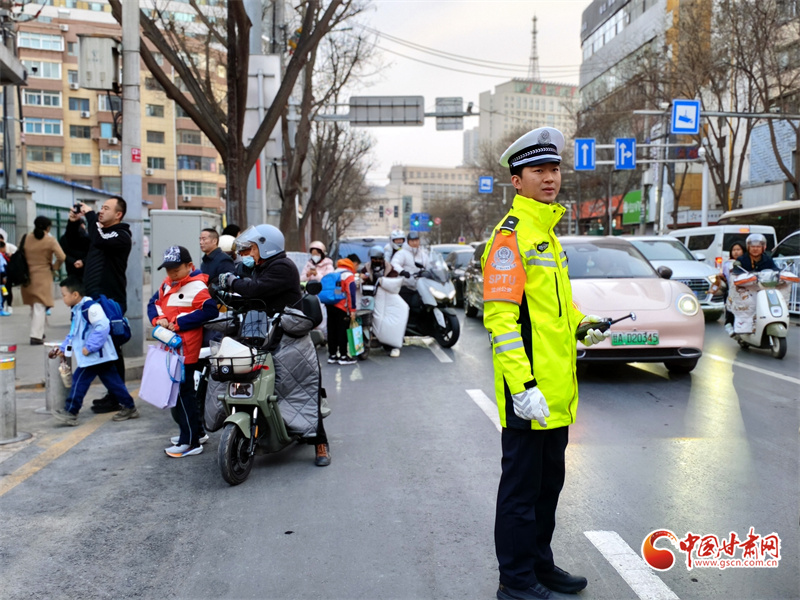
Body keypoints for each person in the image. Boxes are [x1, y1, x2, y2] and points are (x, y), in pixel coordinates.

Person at [484, 127, 610, 600]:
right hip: (529, 392)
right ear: (517, 181)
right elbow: (500, 320)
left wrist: (583, 324)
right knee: (520, 493)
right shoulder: (510, 239)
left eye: (554, 169)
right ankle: (515, 580)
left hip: (556, 392)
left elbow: (554, 309)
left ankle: (539, 564)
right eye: (538, 170)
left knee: (547, 489)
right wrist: (522, 386)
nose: (550, 178)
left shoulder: (547, 236)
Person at [219, 224, 330, 466]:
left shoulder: (282, 266)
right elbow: (250, 297)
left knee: (303, 387)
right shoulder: (259, 267)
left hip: (288, 336)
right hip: (259, 333)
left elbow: (254, 290)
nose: (246, 254)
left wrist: (232, 281)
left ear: (266, 247)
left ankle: (320, 443)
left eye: (250, 249)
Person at [148, 246, 218, 457]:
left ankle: (190, 442)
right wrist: (158, 319)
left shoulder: (197, 286)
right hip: (171, 348)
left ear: (189, 266)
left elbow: (210, 311)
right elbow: (154, 303)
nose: (172, 274)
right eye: (168, 270)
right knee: (179, 394)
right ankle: (193, 433)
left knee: (184, 395)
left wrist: (179, 322)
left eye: (176, 269)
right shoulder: (167, 284)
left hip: (186, 350)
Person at [50, 277, 139, 426]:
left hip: (95, 355)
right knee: (114, 383)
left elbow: (103, 326)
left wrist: (90, 347)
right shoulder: (78, 309)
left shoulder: (90, 308)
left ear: (75, 294)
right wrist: (63, 348)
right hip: (98, 356)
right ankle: (129, 407)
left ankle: (71, 412)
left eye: (64, 295)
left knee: (79, 381)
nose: (63, 298)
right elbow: (73, 333)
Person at [77, 197, 132, 413]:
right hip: (94, 299)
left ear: (118, 214)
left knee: (112, 348)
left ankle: (117, 397)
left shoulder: (120, 235)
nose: (101, 211)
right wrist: (74, 223)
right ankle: (114, 394)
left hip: (110, 302)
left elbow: (99, 239)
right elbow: (76, 243)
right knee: (105, 348)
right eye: (100, 208)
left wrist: (90, 215)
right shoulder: (100, 233)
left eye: (106, 208)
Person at [21, 216, 66, 345]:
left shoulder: (26, 238)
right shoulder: (50, 240)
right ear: (48, 227)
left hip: (27, 276)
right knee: (40, 305)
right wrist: (55, 267)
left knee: (34, 305)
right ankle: (36, 335)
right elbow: (62, 256)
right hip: (43, 275)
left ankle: (39, 331)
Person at [325, 255, 359, 366]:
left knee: (332, 330)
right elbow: (351, 293)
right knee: (342, 331)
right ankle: (343, 356)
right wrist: (352, 310)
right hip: (341, 307)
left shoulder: (334, 272)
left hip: (330, 305)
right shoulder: (348, 275)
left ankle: (332, 355)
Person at [390, 231, 429, 306]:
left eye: (416, 240)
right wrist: (402, 271)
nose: (415, 243)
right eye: (412, 241)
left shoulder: (423, 254)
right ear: (408, 241)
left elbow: (429, 265)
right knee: (410, 306)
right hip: (406, 286)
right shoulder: (402, 253)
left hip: (421, 286)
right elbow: (394, 264)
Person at [721, 241, 745, 336]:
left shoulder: (746, 262)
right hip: (731, 291)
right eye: (734, 250)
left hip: (745, 291)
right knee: (731, 310)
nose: (736, 252)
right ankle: (729, 326)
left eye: (738, 249)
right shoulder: (727, 264)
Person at [60, 206, 90, 281]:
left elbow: (62, 253)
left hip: (73, 269)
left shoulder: (65, 238)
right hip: (83, 272)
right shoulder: (87, 238)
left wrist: (74, 261)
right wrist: (82, 262)